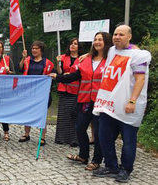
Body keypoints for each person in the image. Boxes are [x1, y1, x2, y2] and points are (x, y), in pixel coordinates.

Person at [92, 25, 151, 183]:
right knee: (104, 136)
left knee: (128, 141)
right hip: (109, 104)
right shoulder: (112, 51)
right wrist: (86, 55)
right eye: (115, 34)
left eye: (121, 34)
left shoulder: (139, 55)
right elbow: (97, 50)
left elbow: (140, 79)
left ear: (129, 37)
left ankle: (125, 169)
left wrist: (132, 101)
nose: (117, 37)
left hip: (128, 105)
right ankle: (111, 166)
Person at [49, 32, 112, 171]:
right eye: (95, 39)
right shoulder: (86, 60)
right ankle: (83, 156)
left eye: (100, 39)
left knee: (98, 132)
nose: (97, 42)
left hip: (100, 102)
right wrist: (58, 77)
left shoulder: (111, 60)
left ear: (106, 42)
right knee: (79, 128)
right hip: (85, 101)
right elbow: (75, 76)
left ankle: (96, 160)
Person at [18, 41, 54, 145]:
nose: (34, 50)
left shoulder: (47, 63)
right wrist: (23, 58)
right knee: (27, 113)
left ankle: (42, 137)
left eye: (36, 48)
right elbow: (20, 69)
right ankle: (26, 134)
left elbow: (53, 75)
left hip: (42, 94)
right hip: (29, 92)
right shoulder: (27, 60)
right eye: (33, 48)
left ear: (41, 50)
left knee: (42, 115)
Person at [54, 38, 80, 147]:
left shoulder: (82, 59)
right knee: (63, 114)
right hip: (63, 88)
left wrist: (68, 75)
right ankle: (61, 137)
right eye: (71, 43)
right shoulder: (63, 57)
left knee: (74, 114)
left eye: (75, 44)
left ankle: (74, 139)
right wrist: (58, 63)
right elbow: (60, 73)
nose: (72, 45)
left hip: (75, 90)